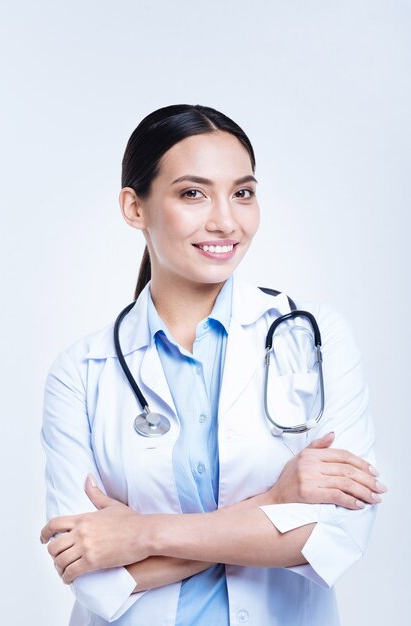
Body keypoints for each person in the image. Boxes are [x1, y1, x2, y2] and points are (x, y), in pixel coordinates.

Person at [40, 104, 386, 626]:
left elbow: (333, 536)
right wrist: (275, 499)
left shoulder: (316, 338)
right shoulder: (81, 372)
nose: (226, 220)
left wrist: (139, 534)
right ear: (135, 208)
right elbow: (90, 573)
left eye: (243, 193)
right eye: (193, 193)